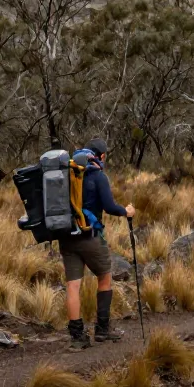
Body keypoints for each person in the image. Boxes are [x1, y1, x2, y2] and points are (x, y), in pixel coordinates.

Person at [63, 138, 135, 351]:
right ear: (101, 156)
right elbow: (110, 206)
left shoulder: (67, 173)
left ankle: (77, 338)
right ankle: (102, 330)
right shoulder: (97, 175)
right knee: (104, 277)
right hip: (90, 236)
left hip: (66, 237)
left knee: (73, 286)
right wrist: (127, 211)